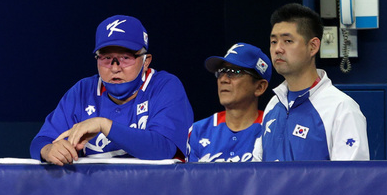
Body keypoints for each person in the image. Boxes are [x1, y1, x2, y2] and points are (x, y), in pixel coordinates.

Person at [30, 15, 193, 165]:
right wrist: (49, 150)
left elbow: (164, 149)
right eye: (107, 58)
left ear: (145, 61)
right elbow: (42, 140)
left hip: (155, 191)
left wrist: (103, 125)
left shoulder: (164, 86)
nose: (115, 68)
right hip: (94, 193)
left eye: (125, 58)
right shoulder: (83, 90)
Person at [253, 3, 369, 161]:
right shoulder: (274, 104)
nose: (278, 49)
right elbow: (257, 171)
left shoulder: (341, 108)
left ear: (313, 46)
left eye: (287, 41)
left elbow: (350, 180)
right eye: (274, 42)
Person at [187, 43, 271, 162]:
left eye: (234, 72)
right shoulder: (198, 131)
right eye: (221, 72)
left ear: (260, 87)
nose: (223, 79)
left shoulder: (272, 131)